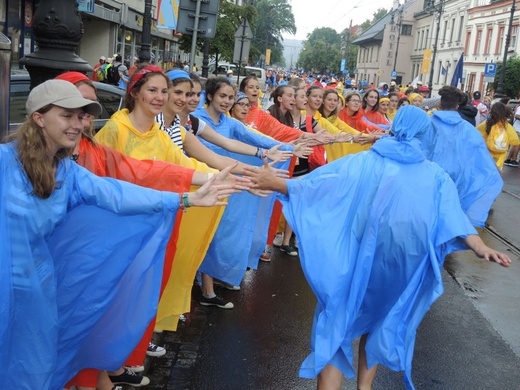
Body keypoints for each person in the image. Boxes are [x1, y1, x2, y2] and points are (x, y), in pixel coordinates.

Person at [243, 105, 511, 390]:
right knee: (381, 321)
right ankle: (364, 388)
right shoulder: (435, 175)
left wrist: (275, 182)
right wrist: (480, 247)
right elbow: (454, 217)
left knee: (337, 320)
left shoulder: (364, 162)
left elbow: (318, 186)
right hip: (400, 265)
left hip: (356, 256)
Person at [1, 79, 234, 390]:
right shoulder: (5, 161)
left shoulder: (67, 172)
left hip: (37, 293)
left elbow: (118, 193)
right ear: (39, 118)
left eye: (81, 116)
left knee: (32, 371)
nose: (78, 124)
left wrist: (184, 199)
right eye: (67, 115)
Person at [422, 85, 503, 228]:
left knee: (430, 214)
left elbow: (420, 148)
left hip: (430, 177)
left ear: (440, 104)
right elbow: (479, 155)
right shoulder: (468, 129)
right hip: (457, 178)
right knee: (449, 215)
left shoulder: (427, 123)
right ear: (457, 106)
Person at [477, 102, 520, 170]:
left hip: (487, 153)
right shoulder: (507, 126)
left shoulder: (486, 124)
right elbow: (516, 141)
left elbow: (477, 133)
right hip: (500, 155)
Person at [505, 100, 520, 166]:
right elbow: (517, 115)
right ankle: (513, 159)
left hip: (517, 128)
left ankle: (508, 159)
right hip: (517, 128)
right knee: (517, 145)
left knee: (515, 145)